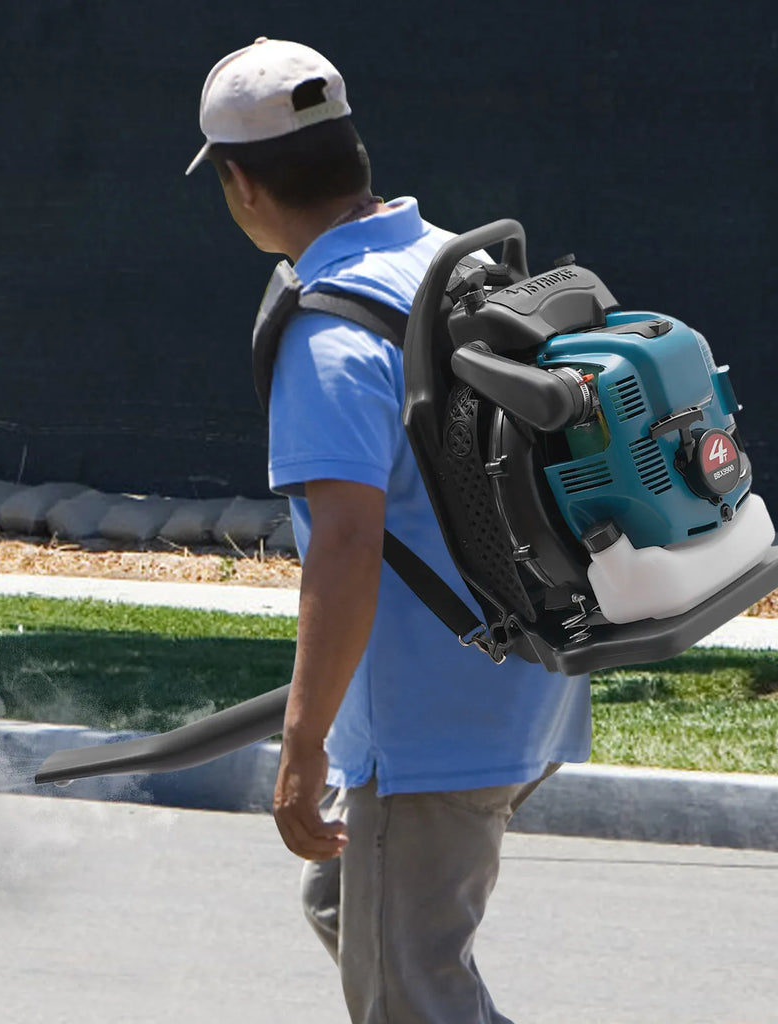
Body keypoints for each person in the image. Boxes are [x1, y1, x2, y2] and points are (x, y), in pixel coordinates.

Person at [185, 37, 591, 1024]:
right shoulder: (455, 259)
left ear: (239, 183)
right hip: (530, 675)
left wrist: (302, 742)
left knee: (411, 998)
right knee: (349, 904)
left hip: (427, 723)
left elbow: (346, 547)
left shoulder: (329, 335)